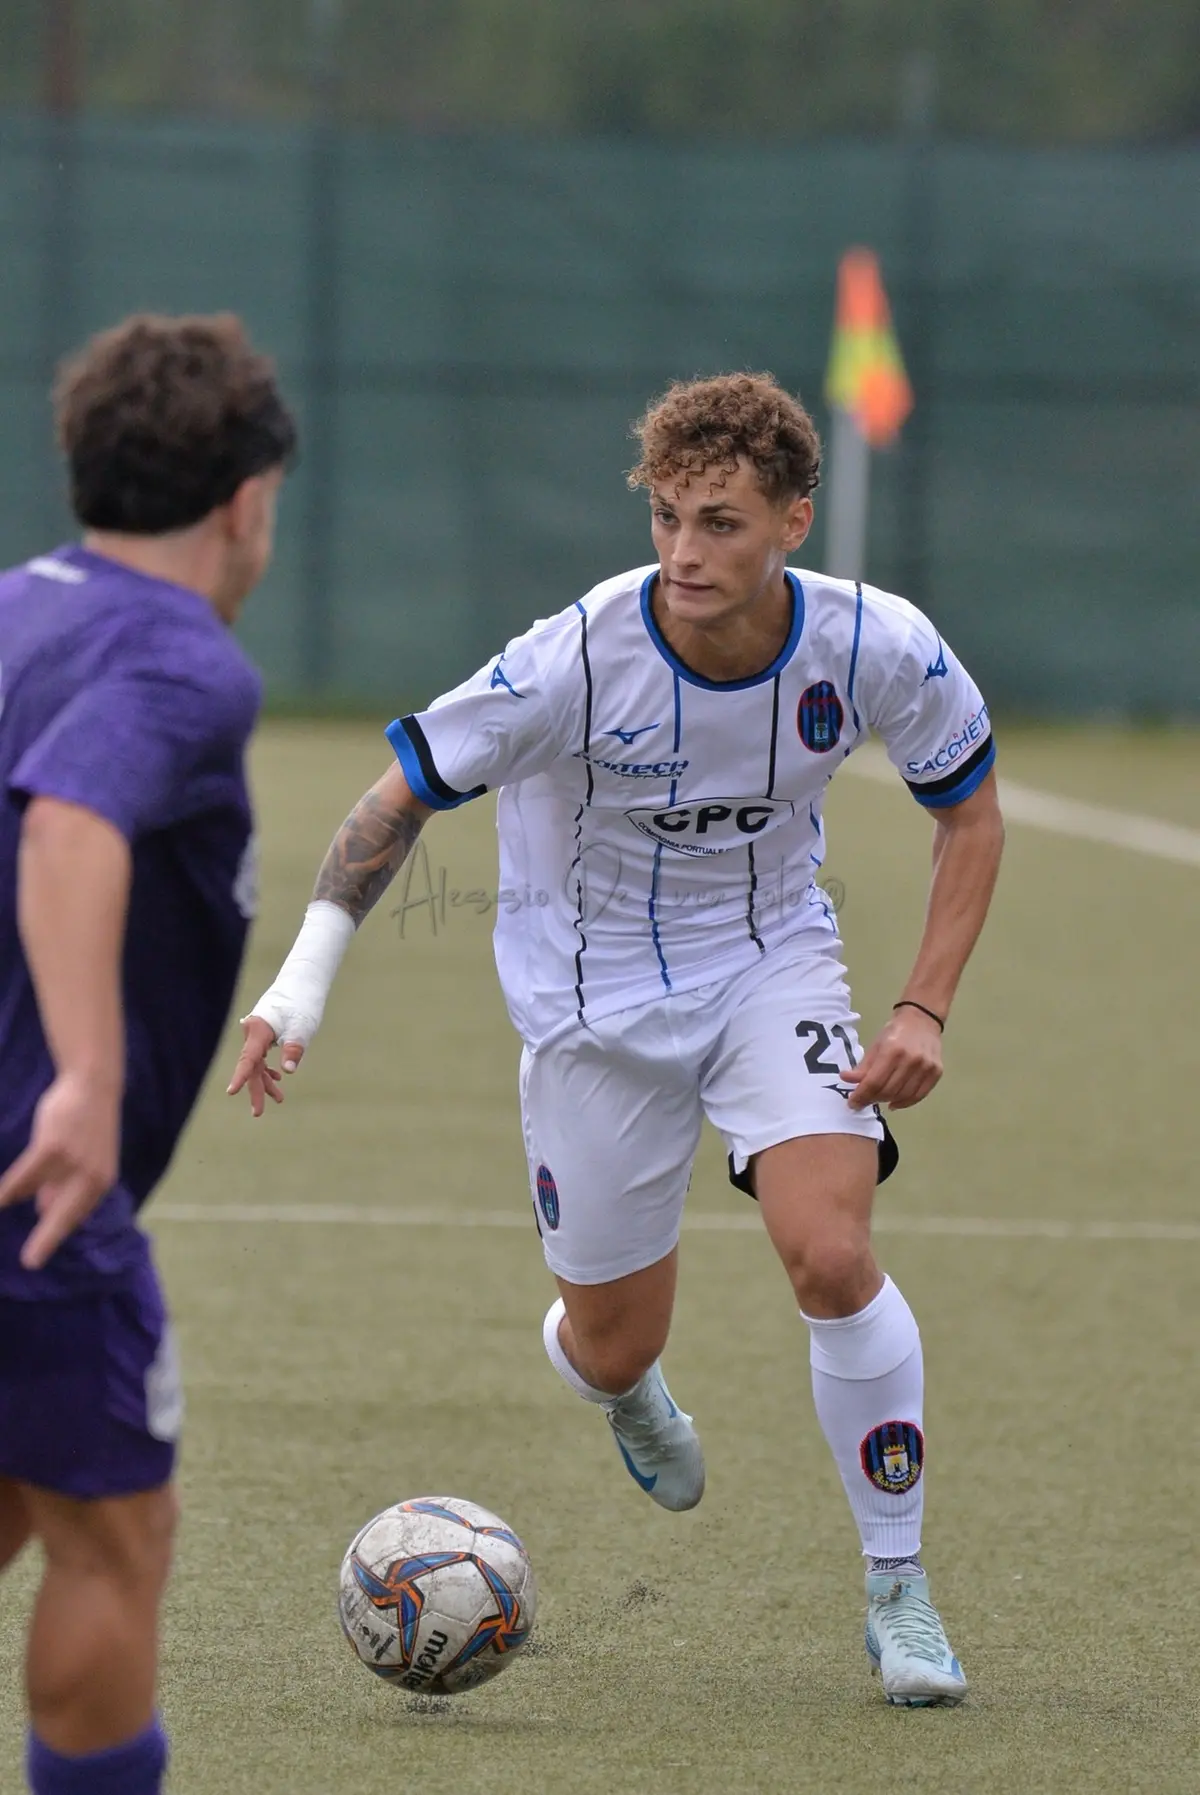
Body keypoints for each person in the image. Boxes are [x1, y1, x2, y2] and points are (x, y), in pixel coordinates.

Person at [230, 372, 1003, 1707]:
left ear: (794, 524)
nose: (687, 553)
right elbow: (392, 801)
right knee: (614, 1341)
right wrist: (300, 986)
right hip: (591, 1017)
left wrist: (923, 1003)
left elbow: (971, 813)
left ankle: (898, 1586)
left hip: (775, 965)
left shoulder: (875, 644)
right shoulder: (574, 659)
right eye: (668, 520)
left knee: (831, 1251)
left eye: (721, 523)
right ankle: (624, 1386)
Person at [0, 313, 296, 1795]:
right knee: (115, 1533)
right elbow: (69, 820)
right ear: (247, 499)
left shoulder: (12, 610)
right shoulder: (186, 663)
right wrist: (87, 1076)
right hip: (35, 1189)